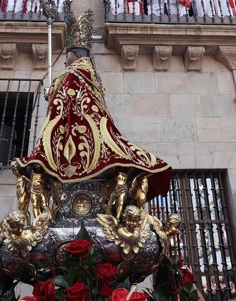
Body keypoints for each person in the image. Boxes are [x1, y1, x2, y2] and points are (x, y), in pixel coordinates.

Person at [17, 13, 172, 197]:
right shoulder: (88, 74)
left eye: (67, 58)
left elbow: (66, 98)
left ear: (75, 56)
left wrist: (54, 91)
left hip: (77, 130)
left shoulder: (75, 73)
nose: (66, 62)